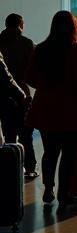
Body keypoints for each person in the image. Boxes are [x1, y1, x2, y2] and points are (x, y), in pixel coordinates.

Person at [25, 11, 77, 207]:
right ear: (73, 28)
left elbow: (28, 76)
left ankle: (48, 188)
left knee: (50, 151)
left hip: (46, 108)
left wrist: (45, 85)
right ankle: (65, 193)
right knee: (69, 154)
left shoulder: (41, 49)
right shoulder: (75, 50)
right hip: (70, 109)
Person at [0, 13, 37, 179]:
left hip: (3, 95)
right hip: (21, 92)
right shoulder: (27, 43)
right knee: (25, 133)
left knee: (8, 132)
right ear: (20, 25)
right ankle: (29, 167)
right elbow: (33, 70)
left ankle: (10, 168)